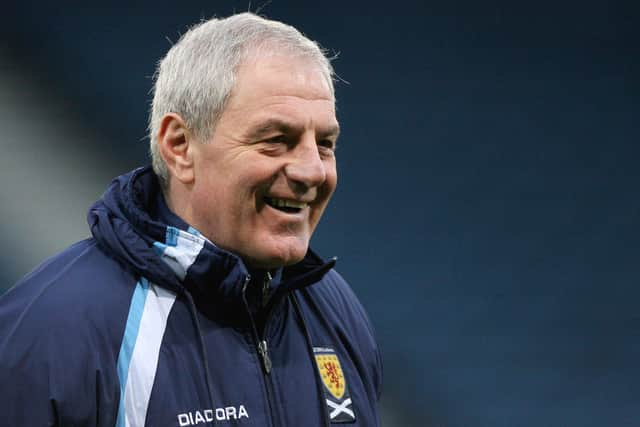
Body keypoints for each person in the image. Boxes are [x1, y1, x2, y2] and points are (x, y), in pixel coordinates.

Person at [0, 12, 382, 427]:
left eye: (324, 144)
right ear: (180, 146)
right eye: (277, 140)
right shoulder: (48, 333)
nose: (313, 171)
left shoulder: (332, 307)